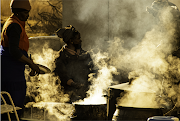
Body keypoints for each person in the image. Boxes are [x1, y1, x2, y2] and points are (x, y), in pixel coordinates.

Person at [1, 0, 40, 120]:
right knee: (12, 104)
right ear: (17, 12)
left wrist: (29, 64)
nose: (28, 15)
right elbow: (14, 51)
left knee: (11, 104)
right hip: (10, 72)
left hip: (12, 69)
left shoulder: (15, 22)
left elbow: (19, 50)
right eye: (25, 12)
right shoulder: (14, 26)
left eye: (28, 12)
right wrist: (30, 63)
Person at [54, 25, 94, 103]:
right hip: (68, 95)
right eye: (78, 39)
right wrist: (75, 84)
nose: (80, 41)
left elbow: (92, 69)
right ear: (71, 41)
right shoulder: (60, 57)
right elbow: (63, 76)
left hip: (85, 93)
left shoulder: (85, 54)